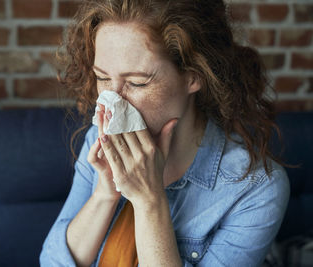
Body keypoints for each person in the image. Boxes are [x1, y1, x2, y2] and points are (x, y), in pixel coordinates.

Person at [39, 0, 290, 266]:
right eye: (102, 77)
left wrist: (150, 200)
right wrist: (104, 194)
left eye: (137, 82)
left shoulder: (256, 188)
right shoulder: (97, 140)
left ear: (193, 77)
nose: (113, 99)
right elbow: (52, 261)